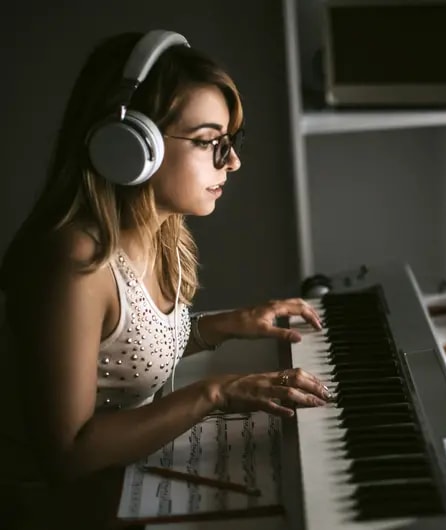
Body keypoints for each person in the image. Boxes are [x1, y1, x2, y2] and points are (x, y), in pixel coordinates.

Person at [0, 30, 331, 527]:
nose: (233, 161)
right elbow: (65, 455)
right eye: (208, 142)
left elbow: (124, 355)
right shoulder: (76, 262)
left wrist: (226, 325)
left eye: (229, 142)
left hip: (122, 479)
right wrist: (215, 393)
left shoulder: (162, 232)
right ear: (130, 145)